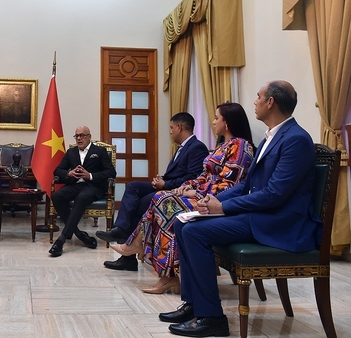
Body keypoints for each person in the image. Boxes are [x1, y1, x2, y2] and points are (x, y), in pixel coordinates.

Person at [159, 81, 320, 337]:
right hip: (260, 214)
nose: (254, 101)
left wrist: (222, 206)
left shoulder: (296, 140)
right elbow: (248, 183)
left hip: (278, 222)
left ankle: (212, 318)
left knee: (194, 232)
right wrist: (212, 199)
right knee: (182, 222)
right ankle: (194, 303)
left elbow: (275, 195)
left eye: (258, 97)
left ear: (271, 103)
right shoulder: (273, 136)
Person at [112, 102, 254, 295]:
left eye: (216, 118)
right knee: (162, 200)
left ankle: (144, 252)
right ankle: (160, 268)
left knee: (165, 203)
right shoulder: (223, 146)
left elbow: (231, 184)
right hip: (203, 195)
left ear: (226, 123)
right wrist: (190, 186)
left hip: (215, 203)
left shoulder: (240, 146)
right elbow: (205, 176)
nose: (213, 122)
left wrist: (196, 193)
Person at [97, 112, 208, 271]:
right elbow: (176, 173)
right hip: (167, 185)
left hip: (177, 192)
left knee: (140, 205)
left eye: (171, 128)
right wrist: (160, 180)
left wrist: (165, 184)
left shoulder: (197, 147)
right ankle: (120, 229)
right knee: (133, 186)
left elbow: (192, 178)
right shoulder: (181, 148)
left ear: (179, 127)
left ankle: (127, 256)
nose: (170, 131)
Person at [49, 126, 117, 257]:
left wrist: (90, 175)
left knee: (81, 197)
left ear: (89, 137)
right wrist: (69, 173)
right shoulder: (71, 152)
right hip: (75, 185)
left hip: (93, 186)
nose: (79, 138)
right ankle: (80, 235)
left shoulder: (100, 151)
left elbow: (111, 172)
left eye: (82, 135)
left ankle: (61, 240)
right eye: (77, 136)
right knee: (57, 196)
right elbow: (57, 171)